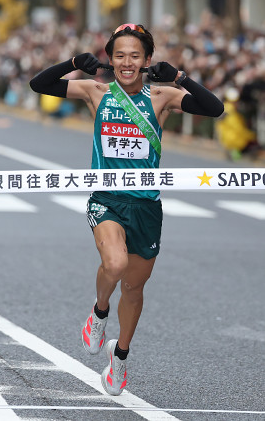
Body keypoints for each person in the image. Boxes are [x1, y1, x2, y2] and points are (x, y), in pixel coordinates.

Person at [29, 23, 224, 396]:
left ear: (147, 60)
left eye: (135, 55)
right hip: (106, 199)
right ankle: (98, 315)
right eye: (119, 55)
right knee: (115, 265)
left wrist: (181, 78)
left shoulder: (162, 97)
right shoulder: (95, 90)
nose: (127, 62)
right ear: (110, 59)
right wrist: (72, 63)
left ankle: (119, 360)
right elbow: (40, 85)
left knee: (134, 288)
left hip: (146, 207)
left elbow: (214, 109)